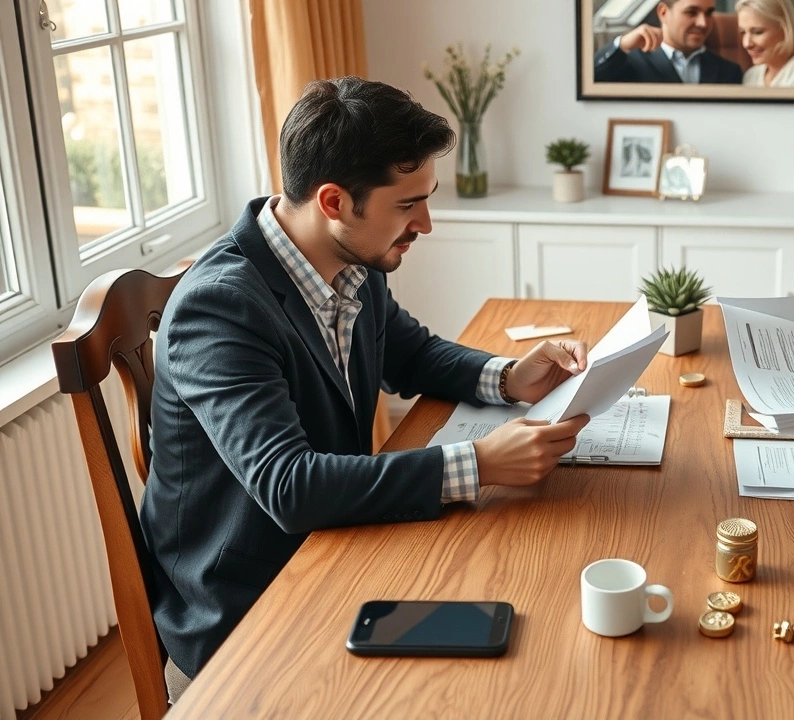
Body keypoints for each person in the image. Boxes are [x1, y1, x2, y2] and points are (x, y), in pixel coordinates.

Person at [140, 77, 591, 701]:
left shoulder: (350, 257)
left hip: (337, 547)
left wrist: (510, 376)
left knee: (533, 612)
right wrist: (479, 462)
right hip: (254, 607)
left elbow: (406, 351)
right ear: (334, 201)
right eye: (408, 205)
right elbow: (289, 487)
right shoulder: (220, 307)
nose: (426, 224)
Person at [594, 0, 744, 84]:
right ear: (663, 13)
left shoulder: (729, 72)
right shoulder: (630, 63)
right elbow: (589, 81)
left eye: (709, 13)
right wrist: (622, 45)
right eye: (691, 12)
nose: (703, 23)